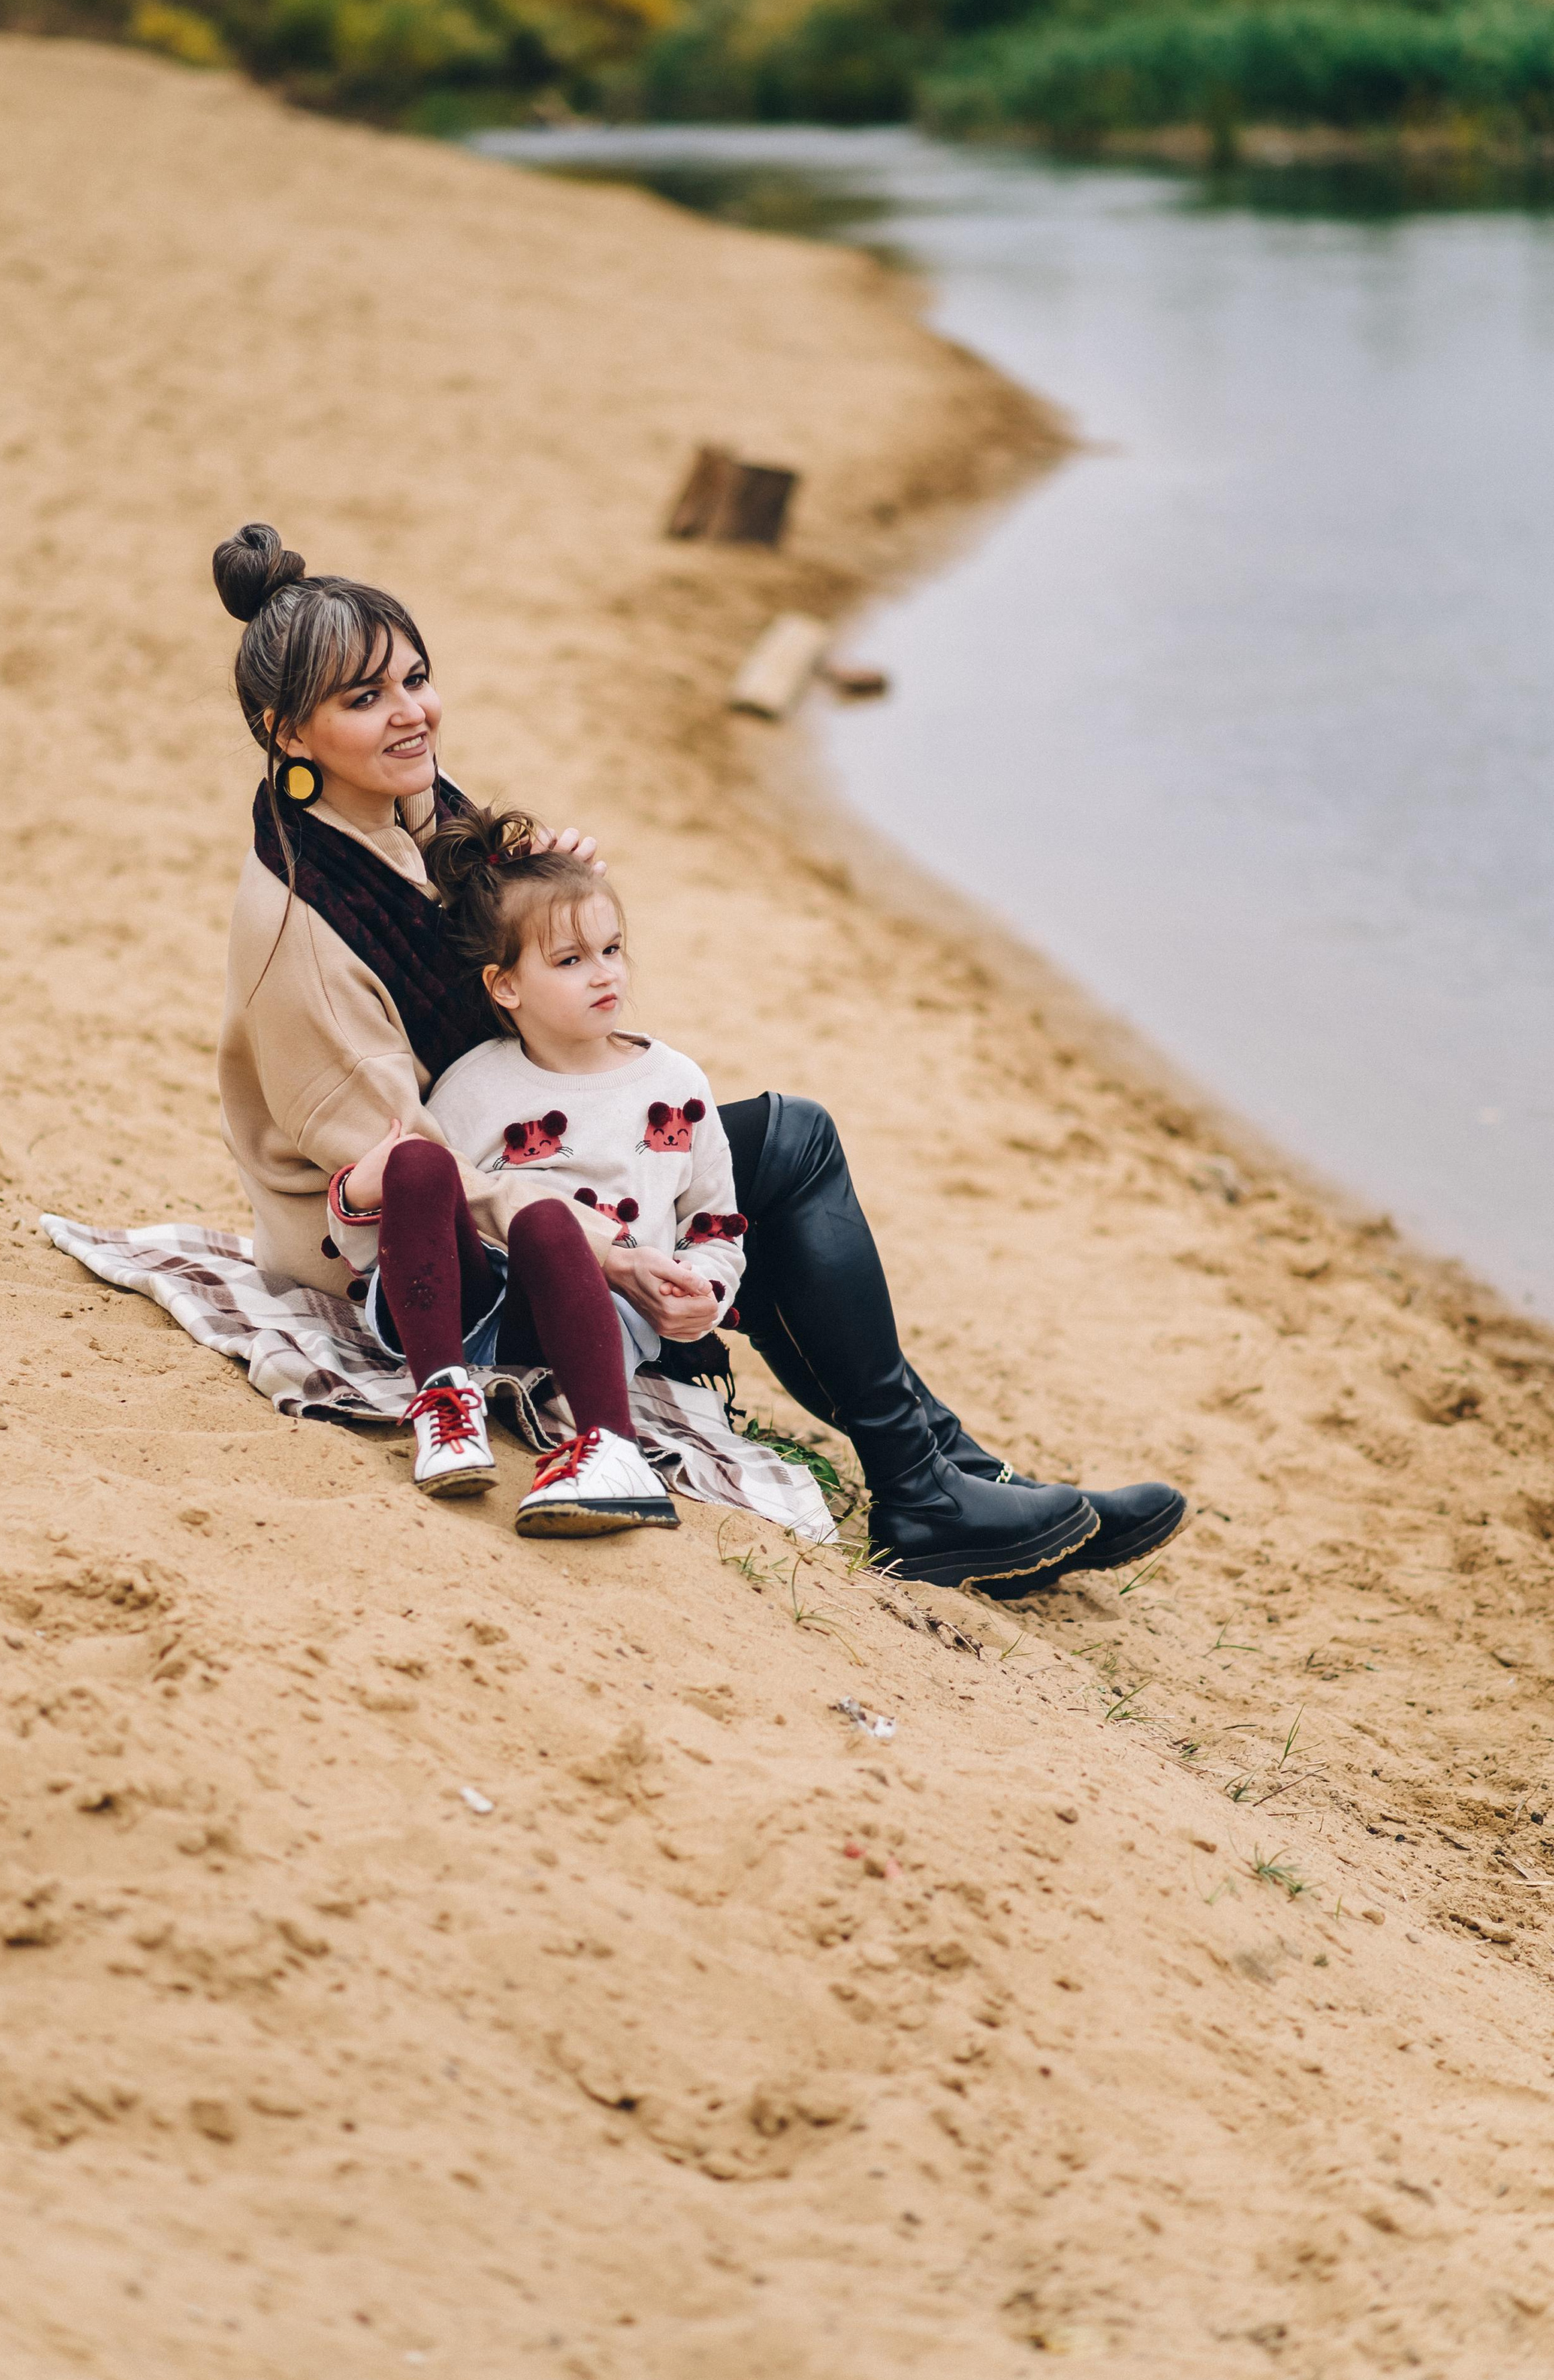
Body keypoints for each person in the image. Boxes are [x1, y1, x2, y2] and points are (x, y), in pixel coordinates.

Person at [213, 521, 1185, 1592]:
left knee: (786, 1141)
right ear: (286, 733)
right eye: (365, 699)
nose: (412, 713)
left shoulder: (406, 802)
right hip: (421, 1256)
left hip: (530, 1141)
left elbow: (503, 968)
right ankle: (929, 1485)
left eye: (416, 677)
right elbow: (408, 1168)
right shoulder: (301, 921)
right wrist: (610, 1245)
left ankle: (937, 1467)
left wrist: (540, 894)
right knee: (760, 1164)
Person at [326, 802, 748, 1535]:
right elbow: (417, 1223)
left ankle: (610, 1448)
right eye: (570, 960)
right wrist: (357, 1198)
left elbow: (714, 1224)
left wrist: (705, 1295)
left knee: (549, 1220)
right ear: (505, 986)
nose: (603, 975)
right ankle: (444, 1408)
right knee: (422, 1161)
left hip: (591, 1321)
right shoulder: (476, 1084)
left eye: (612, 949)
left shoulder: (675, 1081)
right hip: (470, 1309)